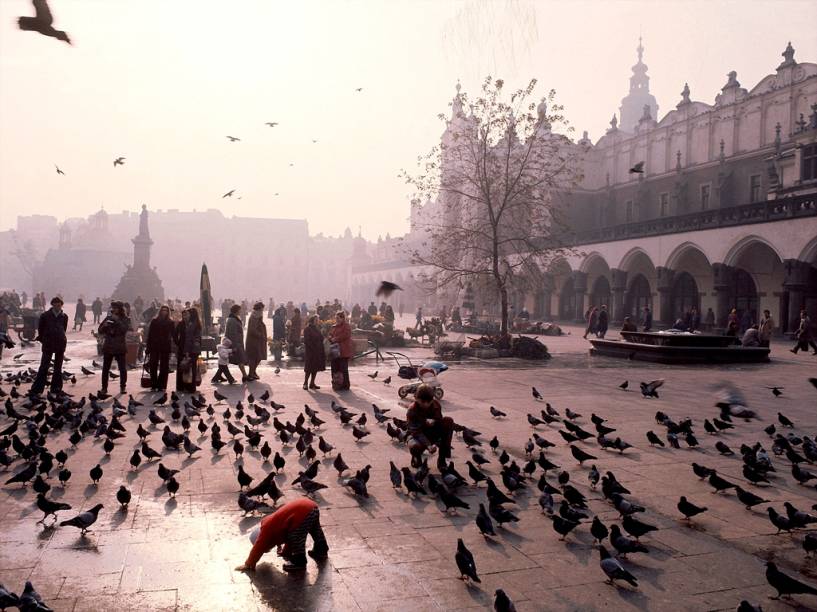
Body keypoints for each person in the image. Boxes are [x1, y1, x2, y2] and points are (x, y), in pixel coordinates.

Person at [235, 497, 328, 573]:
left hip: (302, 513)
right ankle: (321, 551)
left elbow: (258, 547)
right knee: (315, 530)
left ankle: (299, 562)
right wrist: (285, 552)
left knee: (297, 538)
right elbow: (288, 538)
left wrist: (248, 563)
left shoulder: (266, 531)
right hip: (311, 506)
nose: (267, 549)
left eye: (266, 548)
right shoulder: (273, 526)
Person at [407, 383, 454, 470]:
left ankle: (442, 459)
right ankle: (417, 457)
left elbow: (440, 421)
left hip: (432, 433)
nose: (426, 404)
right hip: (417, 436)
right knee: (414, 447)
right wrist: (428, 445)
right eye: (423, 402)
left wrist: (435, 421)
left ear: (432, 400)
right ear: (416, 398)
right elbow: (416, 432)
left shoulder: (436, 405)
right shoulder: (412, 410)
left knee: (448, 421)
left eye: (429, 402)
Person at [30, 297, 68, 396]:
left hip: (60, 343)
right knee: (44, 367)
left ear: (61, 305)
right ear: (52, 305)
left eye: (59, 304)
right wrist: (44, 340)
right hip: (48, 343)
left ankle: (56, 388)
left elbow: (64, 329)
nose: (57, 306)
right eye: (55, 304)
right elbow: (40, 330)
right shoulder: (45, 316)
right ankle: (37, 389)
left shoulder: (64, 316)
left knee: (58, 368)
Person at [99, 301, 131, 396]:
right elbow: (100, 330)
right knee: (105, 368)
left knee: (122, 368)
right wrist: (104, 326)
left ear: (120, 309)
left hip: (119, 346)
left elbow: (124, 330)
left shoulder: (126, 319)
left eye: (116, 308)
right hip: (108, 345)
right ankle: (104, 388)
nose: (114, 310)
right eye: (113, 308)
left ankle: (122, 386)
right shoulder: (108, 318)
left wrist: (117, 320)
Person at [145, 305, 174, 391]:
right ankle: (154, 384)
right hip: (154, 345)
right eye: (163, 310)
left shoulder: (170, 322)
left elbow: (173, 334)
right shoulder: (154, 321)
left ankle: (162, 385)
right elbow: (150, 335)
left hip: (165, 346)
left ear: (168, 312)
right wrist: (148, 346)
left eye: (166, 311)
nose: (164, 312)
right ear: (160, 311)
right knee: (153, 365)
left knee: (164, 367)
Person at [175, 308, 203, 392]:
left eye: (188, 313)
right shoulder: (197, 323)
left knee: (188, 368)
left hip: (191, 350)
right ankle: (191, 386)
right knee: (192, 368)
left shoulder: (192, 325)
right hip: (195, 350)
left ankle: (189, 386)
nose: (187, 315)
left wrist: (187, 351)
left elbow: (189, 339)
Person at [328, 311, 353, 391]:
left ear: (342, 318)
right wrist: (330, 337)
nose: (337, 320)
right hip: (335, 351)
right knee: (334, 368)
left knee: (343, 369)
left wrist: (336, 339)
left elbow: (346, 335)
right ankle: (336, 384)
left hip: (343, 351)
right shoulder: (334, 326)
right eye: (336, 318)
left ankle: (345, 385)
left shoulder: (346, 326)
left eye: (338, 318)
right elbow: (330, 334)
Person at [225, 303, 250, 382]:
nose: (241, 311)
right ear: (236, 310)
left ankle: (244, 375)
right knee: (240, 359)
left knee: (226, 361)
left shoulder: (234, 318)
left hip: (237, 343)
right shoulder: (232, 320)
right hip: (236, 343)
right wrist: (235, 345)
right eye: (240, 309)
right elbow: (233, 334)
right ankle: (245, 376)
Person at [302, 315, 325, 390]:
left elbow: (321, 338)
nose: (317, 321)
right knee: (309, 368)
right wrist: (313, 347)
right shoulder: (307, 329)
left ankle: (312, 383)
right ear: (312, 320)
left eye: (318, 320)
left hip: (317, 351)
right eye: (316, 320)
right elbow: (306, 341)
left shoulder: (317, 329)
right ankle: (305, 383)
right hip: (310, 351)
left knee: (315, 367)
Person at [246, 302, 267, 380]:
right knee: (253, 358)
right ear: (258, 309)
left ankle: (253, 372)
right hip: (253, 341)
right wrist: (261, 335)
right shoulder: (254, 317)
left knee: (258, 357)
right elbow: (252, 330)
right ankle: (251, 374)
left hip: (258, 341)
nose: (262, 311)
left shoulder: (258, 316)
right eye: (261, 309)